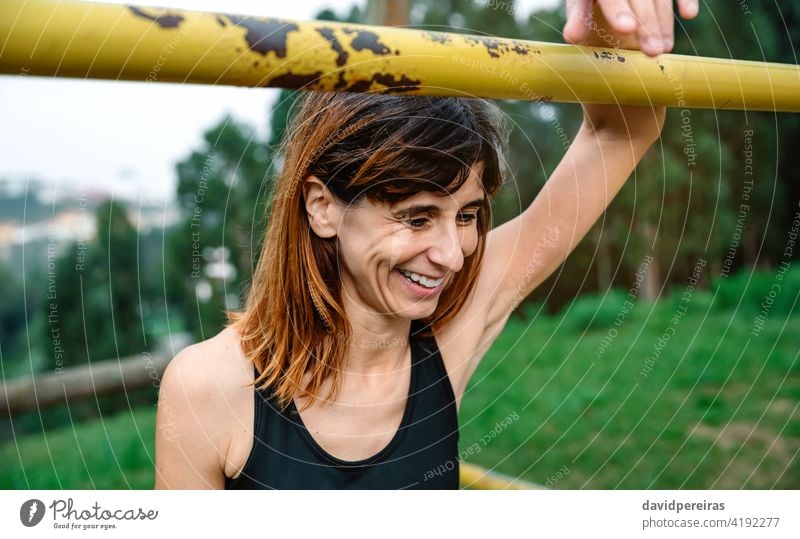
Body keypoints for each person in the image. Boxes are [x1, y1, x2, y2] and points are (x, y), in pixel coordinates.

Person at [154, 0, 699, 489]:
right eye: (416, 218)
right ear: (322, 206)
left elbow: (620, 132)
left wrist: (616, 30)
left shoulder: (453, 327)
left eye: (466, 215)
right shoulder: (209, 386)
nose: (452, 254)